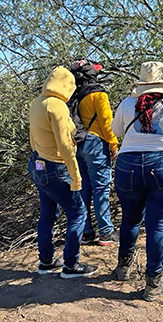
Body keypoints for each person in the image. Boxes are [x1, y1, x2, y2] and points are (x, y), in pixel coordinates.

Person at [111, 61, 163, 301]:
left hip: (127, 166)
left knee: (130, 219)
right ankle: (153, 281)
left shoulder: (128, 104)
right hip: (162, 166)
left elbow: (116, 131)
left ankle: (122, 268)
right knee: (157, 225)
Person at [27, 66, 98, 278]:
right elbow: (66, 145)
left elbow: (32, 138)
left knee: (47, 213)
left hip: (38, 164)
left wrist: (40, 155)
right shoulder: (57, 106)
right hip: (56, 167)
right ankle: (70, 265)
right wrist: (76, 177)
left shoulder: (37, 102)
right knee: (78, 213)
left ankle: (46, 261)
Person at [69, 60, 120, 246]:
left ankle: (86, 232)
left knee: (83, 188)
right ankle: (106, 232)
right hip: (96, 143)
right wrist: (114, 145)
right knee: (101, 188)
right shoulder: (98, 94)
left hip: (79, 143)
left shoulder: (76, 95)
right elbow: (107, 122)